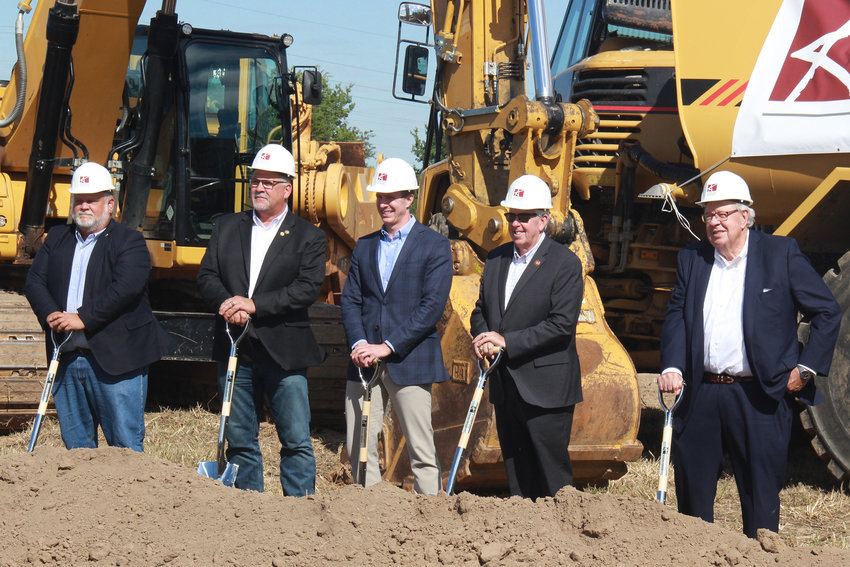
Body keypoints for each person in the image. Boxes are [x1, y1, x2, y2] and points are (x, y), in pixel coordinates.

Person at [659, 170, 841, 538]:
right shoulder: (692, 259)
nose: (714, 222)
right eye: (708, 214)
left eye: (723, 214)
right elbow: (677, 315)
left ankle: (761, 557)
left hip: (759, 395)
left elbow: (827, 312)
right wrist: (673, 365)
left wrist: (805, 369)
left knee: (759, 496)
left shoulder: (780, 254)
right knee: (693, 498)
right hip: (702, 394)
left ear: (745, 216)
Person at [196, 143, 326, 495]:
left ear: (287, 188)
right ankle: (248, 511)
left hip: (285, 351)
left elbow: (306, 288)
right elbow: (207, 276)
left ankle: (298, 512)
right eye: (256, 180)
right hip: (236, 349)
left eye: (269, 182)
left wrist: (253, 305)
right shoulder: (226, 227)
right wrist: (227, 303)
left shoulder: (308, 237)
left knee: (296, 439)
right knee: (239, 440)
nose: (260, 188)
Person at [25, 162, 173, 451]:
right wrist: (50, 314)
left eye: (91, 200)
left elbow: (126, 289)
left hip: (116, 360)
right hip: (66, 356)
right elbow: (34, 282)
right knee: (77, 450)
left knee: (125, 447)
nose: (84, 206)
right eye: (79, 200)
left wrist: (82, 318)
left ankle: (129, 498)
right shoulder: (57, 238)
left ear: (110, 204)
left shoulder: (130, 241)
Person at [340, 157, 452, 495]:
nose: (384, 204)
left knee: (421, 450)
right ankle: (369, 516)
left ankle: (430, 519)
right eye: (380, 197)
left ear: (409, 199)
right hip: (364, 361)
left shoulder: (434, 246)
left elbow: (430, 308)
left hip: (410, 360)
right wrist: (360, 344)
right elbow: (351, 301)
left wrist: (387, 346)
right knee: (359, 447)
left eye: (392, 197)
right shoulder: (366, 245)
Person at [470, 174, 584, 499]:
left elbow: (561, 324)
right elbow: (480, 310)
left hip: (546, 392)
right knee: (518, 481)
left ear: (543, 221)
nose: (516, 223)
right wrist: (484, 339)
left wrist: (507, 341)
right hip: (506, 387)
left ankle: (561, 544)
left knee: (552, 482)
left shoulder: (564, 264)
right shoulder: (496, 259)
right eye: (512, 216)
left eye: (524, 217)